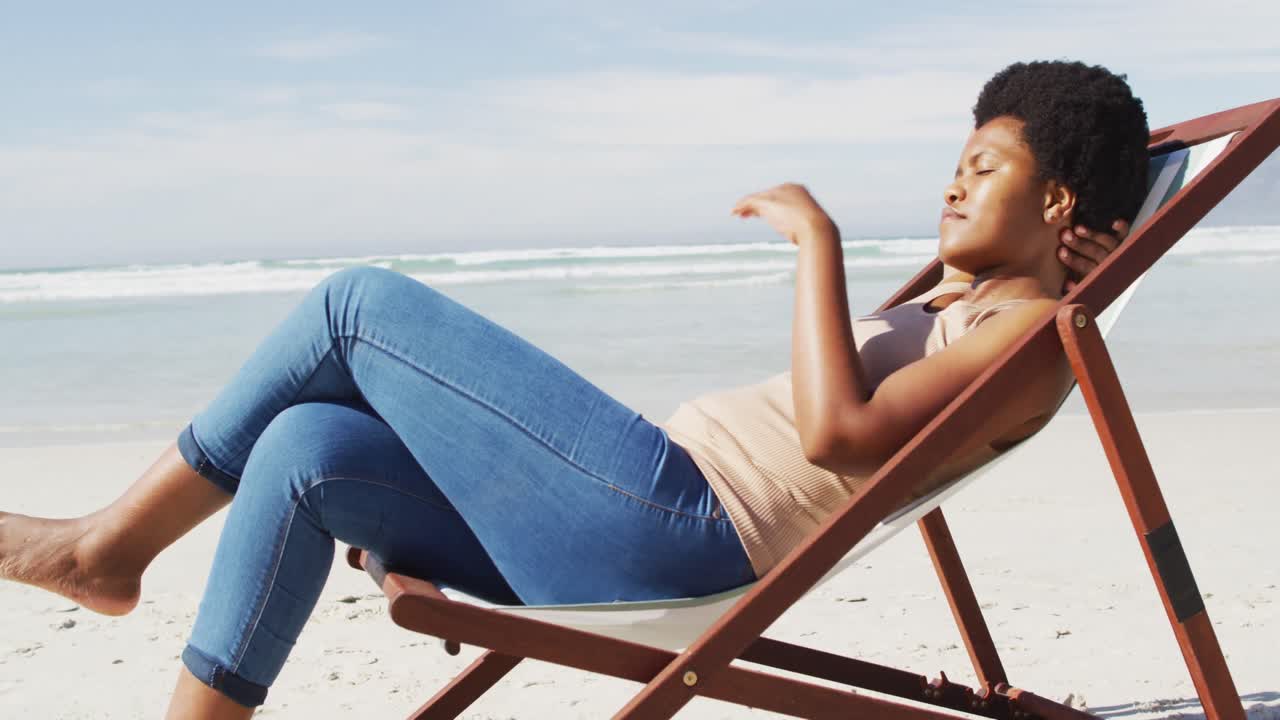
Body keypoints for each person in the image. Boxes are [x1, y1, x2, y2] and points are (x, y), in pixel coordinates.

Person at [0, 59, 1145, 718]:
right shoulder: (978, 309)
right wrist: (971, 264)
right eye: (952, 167)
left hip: (682, 532)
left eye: (980, 171)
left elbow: (840, 435)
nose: (950, 188)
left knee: (356, 304)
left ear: (1054, 202)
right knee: (304, 443)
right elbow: (894, 392)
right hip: (638, 521)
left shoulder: (1030, 332)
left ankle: (106, 552)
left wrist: (816, 239)